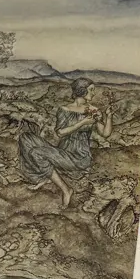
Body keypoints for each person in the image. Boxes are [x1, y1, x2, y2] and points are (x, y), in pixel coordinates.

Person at [18, 78, 112, 207]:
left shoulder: (93, 110)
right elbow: (60, 133)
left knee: (36, 152)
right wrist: (82, 122)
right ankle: (45, 176)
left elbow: (105, 133)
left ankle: (66, 190)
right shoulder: (64, 109)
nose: (94, 93)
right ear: (82, 91)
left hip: (79, 157)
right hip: (63, 152)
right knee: (25, 137)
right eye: (91, 90)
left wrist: (109, 117)